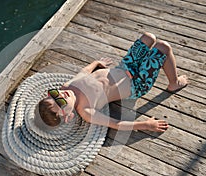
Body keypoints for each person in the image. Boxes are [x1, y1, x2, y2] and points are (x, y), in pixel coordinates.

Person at [37, 32, 188, 132]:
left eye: (54, 94)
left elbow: (83, 72)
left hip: (125, 67)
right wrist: (146, 125)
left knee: (148, 37)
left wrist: (96, 63)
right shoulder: (86, 110)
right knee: (164, 47)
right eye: (61, 103)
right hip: (136, 83)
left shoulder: (67, 86)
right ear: (68, 116)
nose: (61, 96)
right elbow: (115, 124)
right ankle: (174, 83)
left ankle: (150, 56)